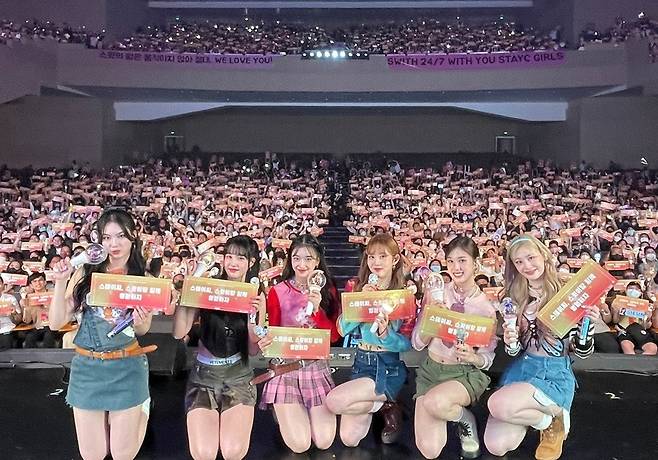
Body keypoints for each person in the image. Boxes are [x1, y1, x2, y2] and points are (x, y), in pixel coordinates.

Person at [49, 208, 157, 460]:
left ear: (133, 236)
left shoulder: (143, 277)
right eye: (107, 238)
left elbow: (142, 329)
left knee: (122, 454)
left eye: (120, 236)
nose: (114, 244)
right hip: (87, 367)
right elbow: (56, 323)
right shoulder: (85, 273)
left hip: (127, 366)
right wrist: (60, 282)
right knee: (93, 455)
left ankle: (143, 407)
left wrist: (141, 319)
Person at [484, 234, 599, 460]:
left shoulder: (567, 292)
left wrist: (588, 325)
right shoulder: (513, 296)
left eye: (531, 258)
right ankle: (547, 419)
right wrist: (510, 340)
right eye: (519, 261)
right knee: (496, 445)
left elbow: (582, 352)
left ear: (544, 256)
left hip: (553, 372)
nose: (527, 266)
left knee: (497, 404)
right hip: (523, 369)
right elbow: (514, 351)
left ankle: (555, 415)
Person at [173, 235, 266, 460]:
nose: (233, 263)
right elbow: (179, 332)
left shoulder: (255, 295)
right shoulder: (208, 287)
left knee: (233, 452)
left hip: (238, 376)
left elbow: (253, 350)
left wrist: (255, 316)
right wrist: (187, 292)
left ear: (251, 262)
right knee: (203, 453)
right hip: (203, 376)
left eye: (240, 258)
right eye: (229, 256)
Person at [412, 237, 497, 459]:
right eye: (450, 261)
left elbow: (487, 359)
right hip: (431, 371)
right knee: (429, 450)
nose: (456, 267)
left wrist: (472, 357)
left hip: (463, 373)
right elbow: (417, 343)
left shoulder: (486, 308)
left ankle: (465, 420)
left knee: (436, 402)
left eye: (462, 260)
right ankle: (451, 413)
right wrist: (432, 318)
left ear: (475, 264)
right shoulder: (436, 294)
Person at [257, 234, 341, 453]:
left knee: (324, 441)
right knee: (300, 444)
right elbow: (274, 332)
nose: (301, 264)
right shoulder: (278, 291)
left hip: (316, 367)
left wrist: (318, 310)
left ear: (317, 261)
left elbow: (333, 337)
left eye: (308, 258)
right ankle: (283, 409)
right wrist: (267, 342)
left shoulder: (329, 291)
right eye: (296, 258)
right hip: (287, 370)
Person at [325, 233, 411, 446]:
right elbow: (341, 329)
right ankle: (386, 406)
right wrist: (361, 301)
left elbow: (406, 343)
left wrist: (385, 335)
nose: (376, 262)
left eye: (383, 256)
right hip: (361, 363)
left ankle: (385, 400)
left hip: (387, 366)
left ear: (395, 259)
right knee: (349, 439)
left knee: (334, 402)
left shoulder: (403, 294)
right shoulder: (356, 286)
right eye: (371, 256)